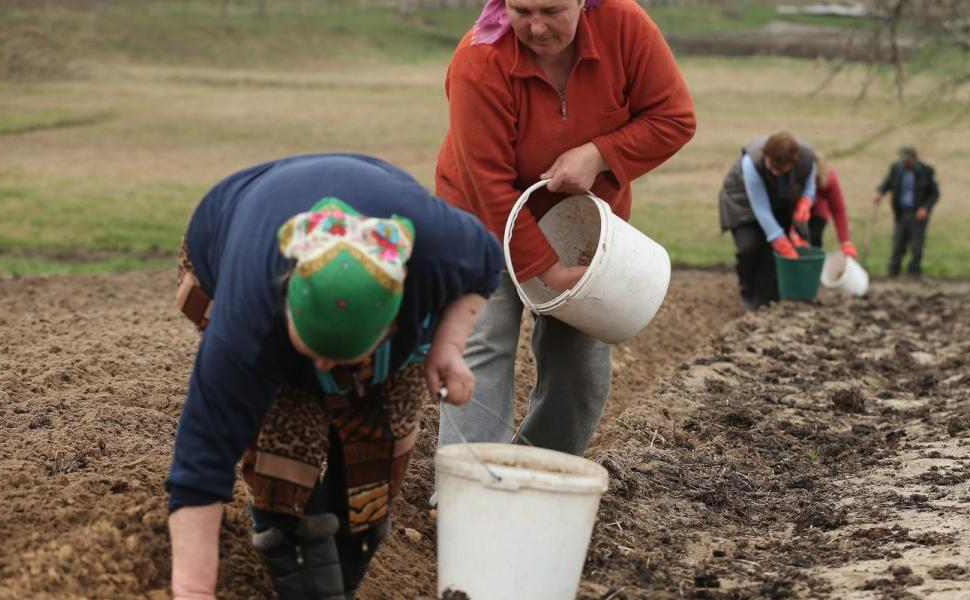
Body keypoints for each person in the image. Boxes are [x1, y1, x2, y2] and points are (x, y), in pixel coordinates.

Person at [165, 154, 504, 599]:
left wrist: (448, 347)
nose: (326, 367)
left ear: (391, 324)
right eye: (314, 350)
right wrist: (193, 590)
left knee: (381, 446)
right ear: (287, 302)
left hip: (387, 279)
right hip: (226, 234)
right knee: (284, 444)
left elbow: (487, 263)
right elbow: (200, 464)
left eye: (343, 356)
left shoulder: (437, 246)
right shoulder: (247, 317)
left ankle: (344, 562)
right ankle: (285, 533)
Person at [433, 0, 696, 455]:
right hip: (478, 215)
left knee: (580, 365)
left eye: (552, 10)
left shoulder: (624, 26)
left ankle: (538, 469)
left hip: (581, 226)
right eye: (521, 10)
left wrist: (598, 154)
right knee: (484, 341)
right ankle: (469, 481)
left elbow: (673, 118)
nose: (537, 27)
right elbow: (488, 185)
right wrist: (545, 269)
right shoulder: (478, 60)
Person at [717, 132, 819, 310]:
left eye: (780, 170)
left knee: (771, 256)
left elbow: (810, 187)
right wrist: (780, 241)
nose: (773, 171)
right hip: (742, 202)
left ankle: (766, 299)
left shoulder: (808, 158)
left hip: (779, 201)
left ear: (792, 163)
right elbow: (760, 207)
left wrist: (805, 203)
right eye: (771, 165)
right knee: (750, 247)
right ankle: (747, 293)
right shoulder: (752, 162)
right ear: (766, 155)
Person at [871, 146, 939, 277]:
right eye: (903, 160)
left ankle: (914, 272)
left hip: (918, 214)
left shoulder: (926, 171)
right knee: (897, 243)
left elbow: (934, 194)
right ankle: (893, 271)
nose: (904, 163)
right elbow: (888, 183)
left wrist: (925, 207)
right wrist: (880, 192)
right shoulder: (896, 169)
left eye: (907, 160)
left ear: (915, 158)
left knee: (916, 245)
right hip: (901, 213)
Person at [807, 154, 858, 259]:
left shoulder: (829, 179)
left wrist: (845, 242)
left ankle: (814, 265)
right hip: (798, 210)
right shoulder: (797, 175)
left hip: (818, 211)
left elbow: (838, 210)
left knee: (813, 239)